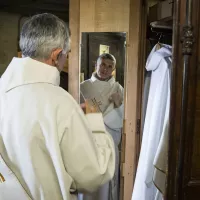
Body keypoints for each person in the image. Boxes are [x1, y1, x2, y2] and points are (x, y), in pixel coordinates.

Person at [0, 13, 115, 200]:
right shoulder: (60, 102)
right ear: (56, 55)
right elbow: (94, 175)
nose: (65, 61)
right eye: (66, 55)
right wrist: (94, 120)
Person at [80, 53, 124, 200]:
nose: (105, 69)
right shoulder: (83, 87)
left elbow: (127, 117)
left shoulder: (118, 88)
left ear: (113, 69)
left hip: (110, 142)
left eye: (109, 66)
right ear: (96, 65)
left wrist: (119, 105)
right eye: (103, 64)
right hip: (89, 142)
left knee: (108, 186)